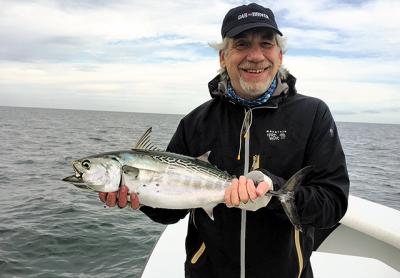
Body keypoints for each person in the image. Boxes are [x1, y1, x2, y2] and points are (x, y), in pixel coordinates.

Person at [99, 3, 350, 278]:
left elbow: (333, 203)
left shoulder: (312, 115)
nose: (255, 56)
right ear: (223, 56)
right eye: (242, 44)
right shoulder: (195, 123)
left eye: (266, 44)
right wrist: (140, 193)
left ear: (279, 54)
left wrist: (272, 194)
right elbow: (169, 213)